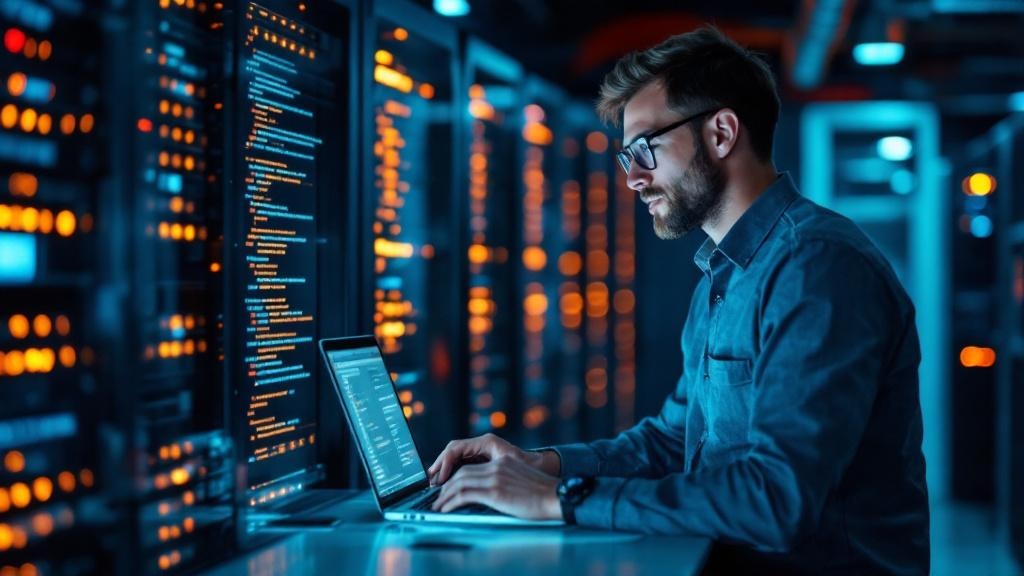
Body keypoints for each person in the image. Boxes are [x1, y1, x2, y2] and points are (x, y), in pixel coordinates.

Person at [428, 27, 929, 574]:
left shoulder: (816, 267)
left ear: (720, 133)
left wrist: (561, 500)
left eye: (645, 148)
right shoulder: (726, 272)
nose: (634, 180)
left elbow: (777, 498)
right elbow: (673, 441)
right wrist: (542, 465)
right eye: (627, 159)